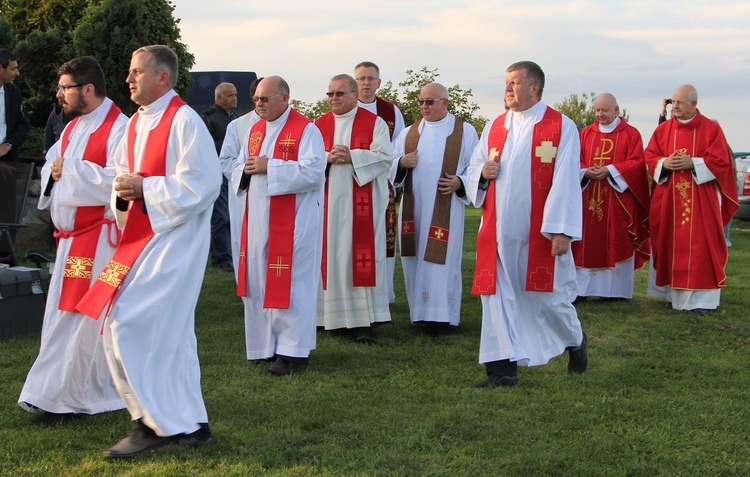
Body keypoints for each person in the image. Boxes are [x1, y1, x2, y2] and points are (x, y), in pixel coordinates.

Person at [76, 45, 221, 458]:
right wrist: (124, 191)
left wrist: (146, 189)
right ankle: (189, 423)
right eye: (129, 72)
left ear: (163, 77)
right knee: (168, 334)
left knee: (132, 324)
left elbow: (203, 184)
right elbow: (122, 176)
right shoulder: (136, 123)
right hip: (138, 238)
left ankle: (151, 424)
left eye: (138, 72)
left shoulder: (185, 121)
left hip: (175, 241)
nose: (129, 79)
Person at [17, 56, 127, 424]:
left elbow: (124, 180)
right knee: (61, 316)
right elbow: (51, 165)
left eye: (65, 87)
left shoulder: (120, 129)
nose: (59, 94)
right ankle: (56, 393)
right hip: (70, 241)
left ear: (88, 89)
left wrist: (73, 169)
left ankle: (67, 399)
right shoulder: (72, 128)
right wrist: (58, 170)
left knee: (80, 319)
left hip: (98, 241)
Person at [466, 61, 587, 388]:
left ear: (534, 87)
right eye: (506, 82)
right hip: (496, 231)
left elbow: (566, 180)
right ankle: (502, 371)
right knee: (496, 298)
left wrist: (562, 230)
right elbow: (474, 166)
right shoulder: (495, 125)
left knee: (547, 300)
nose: (507, 89)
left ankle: (574, 339)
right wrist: (482, 173)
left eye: (514, 83)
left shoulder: (561, 126)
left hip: (539, 232)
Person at [230, 76, 325, 375]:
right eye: (257, 99)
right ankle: (264, 346)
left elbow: (313, 172)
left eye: (265, 99)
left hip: (294, 222)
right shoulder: (254, 132)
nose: (259, 104)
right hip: (257, 219)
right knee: (259, 280)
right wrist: (244, 171)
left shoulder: (306, 130)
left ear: (285, 98)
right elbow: (238, 166)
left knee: (292, 282)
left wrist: (269, 165)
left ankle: (292, 351)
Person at [391, 82, 477, 331]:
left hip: (446, 209)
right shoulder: (409, 133)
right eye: (421, 102)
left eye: (430, 102)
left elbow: (475, 165)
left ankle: (443, 315)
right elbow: (391, 164)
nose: (424, 107)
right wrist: (401, 163)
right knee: (416, 257)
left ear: (445, 103)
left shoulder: (465, 131)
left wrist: (460, 182)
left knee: (443, 260)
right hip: (414, 207)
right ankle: (420, 313)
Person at [645, 84, 738, 314]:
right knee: (669, 242)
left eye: (679, 103)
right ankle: (672, 293)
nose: (674, 107)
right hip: (669, 201)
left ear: (694, 104)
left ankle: (702, 301)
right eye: (673, 102)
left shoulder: (711, 129)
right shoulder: (663, 130)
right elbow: (649, 156)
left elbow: (722, 162)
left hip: (701, 201)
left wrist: (694, 163)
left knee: (701, 246)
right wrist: (663, 163)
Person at [314, 74, 393, 343]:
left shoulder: (375, 123)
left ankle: (362, 322)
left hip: (362, 208)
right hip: (326, 206)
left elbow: (385, 158)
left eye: (339, 93)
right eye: (330, 94)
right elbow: (307, 161)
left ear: (354, 94)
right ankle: (325, 317)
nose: (333, 99)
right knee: (329, 256)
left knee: (357, 257)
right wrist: (327, 157)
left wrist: (353, 156)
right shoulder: (318, 125)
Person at [572, 93, 650, 300]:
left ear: (616, 110)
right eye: (597, 110)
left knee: (616, 240)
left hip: (617, 202)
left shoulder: (631, 134)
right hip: (588, 197)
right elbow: (573, 160)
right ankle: (582, 290)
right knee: (585, 242)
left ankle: (614, 292)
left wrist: (611, 170)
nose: (600, 114)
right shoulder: (585, 134)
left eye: (604, 110)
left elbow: (637, 163)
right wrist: (585, 172)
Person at [355, 61, 405, 304]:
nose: (365, 83)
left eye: (370, 78)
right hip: (350, 183)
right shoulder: (344, 108)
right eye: (361, 78)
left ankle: (382, 294)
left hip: (382, 184)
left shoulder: (391, 112)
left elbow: (398, 147)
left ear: (378, 82)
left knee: (382, 237)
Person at [220, 77, 262, 275]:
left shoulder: (296, 126)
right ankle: (249, 294)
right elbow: (226, 160)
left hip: (280, 194)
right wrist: (246, 170)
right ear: (254, 98)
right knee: (247, 243)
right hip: (246, 195)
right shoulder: (237, 126)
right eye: (260, 98)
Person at [201, 82, 238, 271]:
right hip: (217, 174)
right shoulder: (208, 117)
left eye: (235, 95)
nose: (235, 98)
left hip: (235, 172)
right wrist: (228, 146)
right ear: (219, 98)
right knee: (221, 216)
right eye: (230, 95)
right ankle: (221, 258)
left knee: (234, 214)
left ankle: (234, 253)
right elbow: (206, 146)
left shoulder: (236, 119)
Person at [0, 48, 30, 162]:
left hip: (6, 162)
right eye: (13, 69)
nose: (17, 73)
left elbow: (23, 124)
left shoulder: (14, 92)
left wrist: (9, 144)